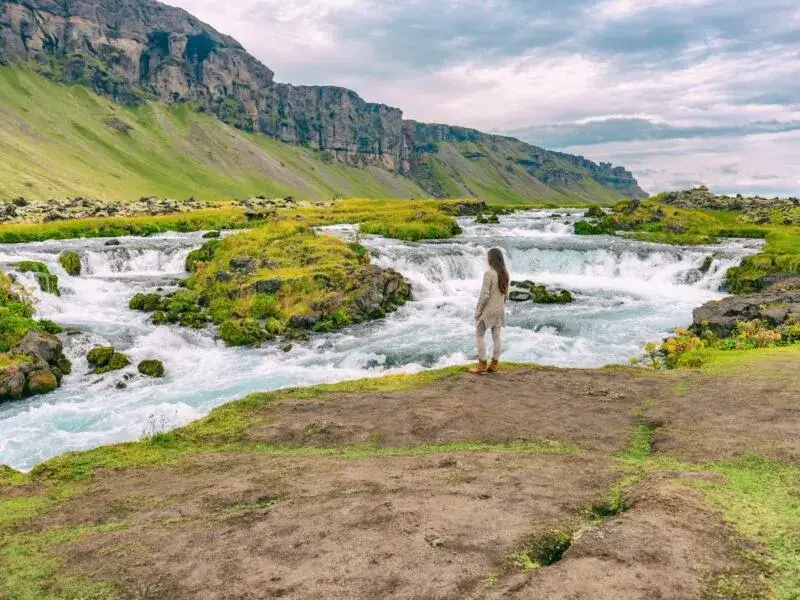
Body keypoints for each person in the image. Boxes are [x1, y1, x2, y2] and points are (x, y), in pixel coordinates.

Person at [469, 247, 510, 374]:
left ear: (491, 259)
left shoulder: (489, 274)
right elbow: (506, 295)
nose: (486, 259)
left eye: (488, 256)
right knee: (496, 337)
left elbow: (484, 295)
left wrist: (478, 311)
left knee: (479, 334)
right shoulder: (505, 273)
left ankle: (481, 365)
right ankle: (494, 364)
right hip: (500, 310)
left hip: (489, 310)